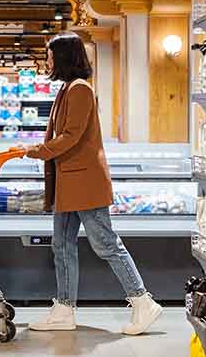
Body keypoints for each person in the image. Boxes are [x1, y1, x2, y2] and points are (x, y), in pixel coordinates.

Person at [19, 33, 163, 334]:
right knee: (61, 245)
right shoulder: (68, 89)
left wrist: (37, 151)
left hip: (84, 183)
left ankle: (142, 301)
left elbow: (71, 137)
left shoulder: (80, 90)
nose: (47, 60)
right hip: (69, 183)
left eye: (50, 55)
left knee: (106, 244)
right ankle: (64, 309)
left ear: (64, 57)